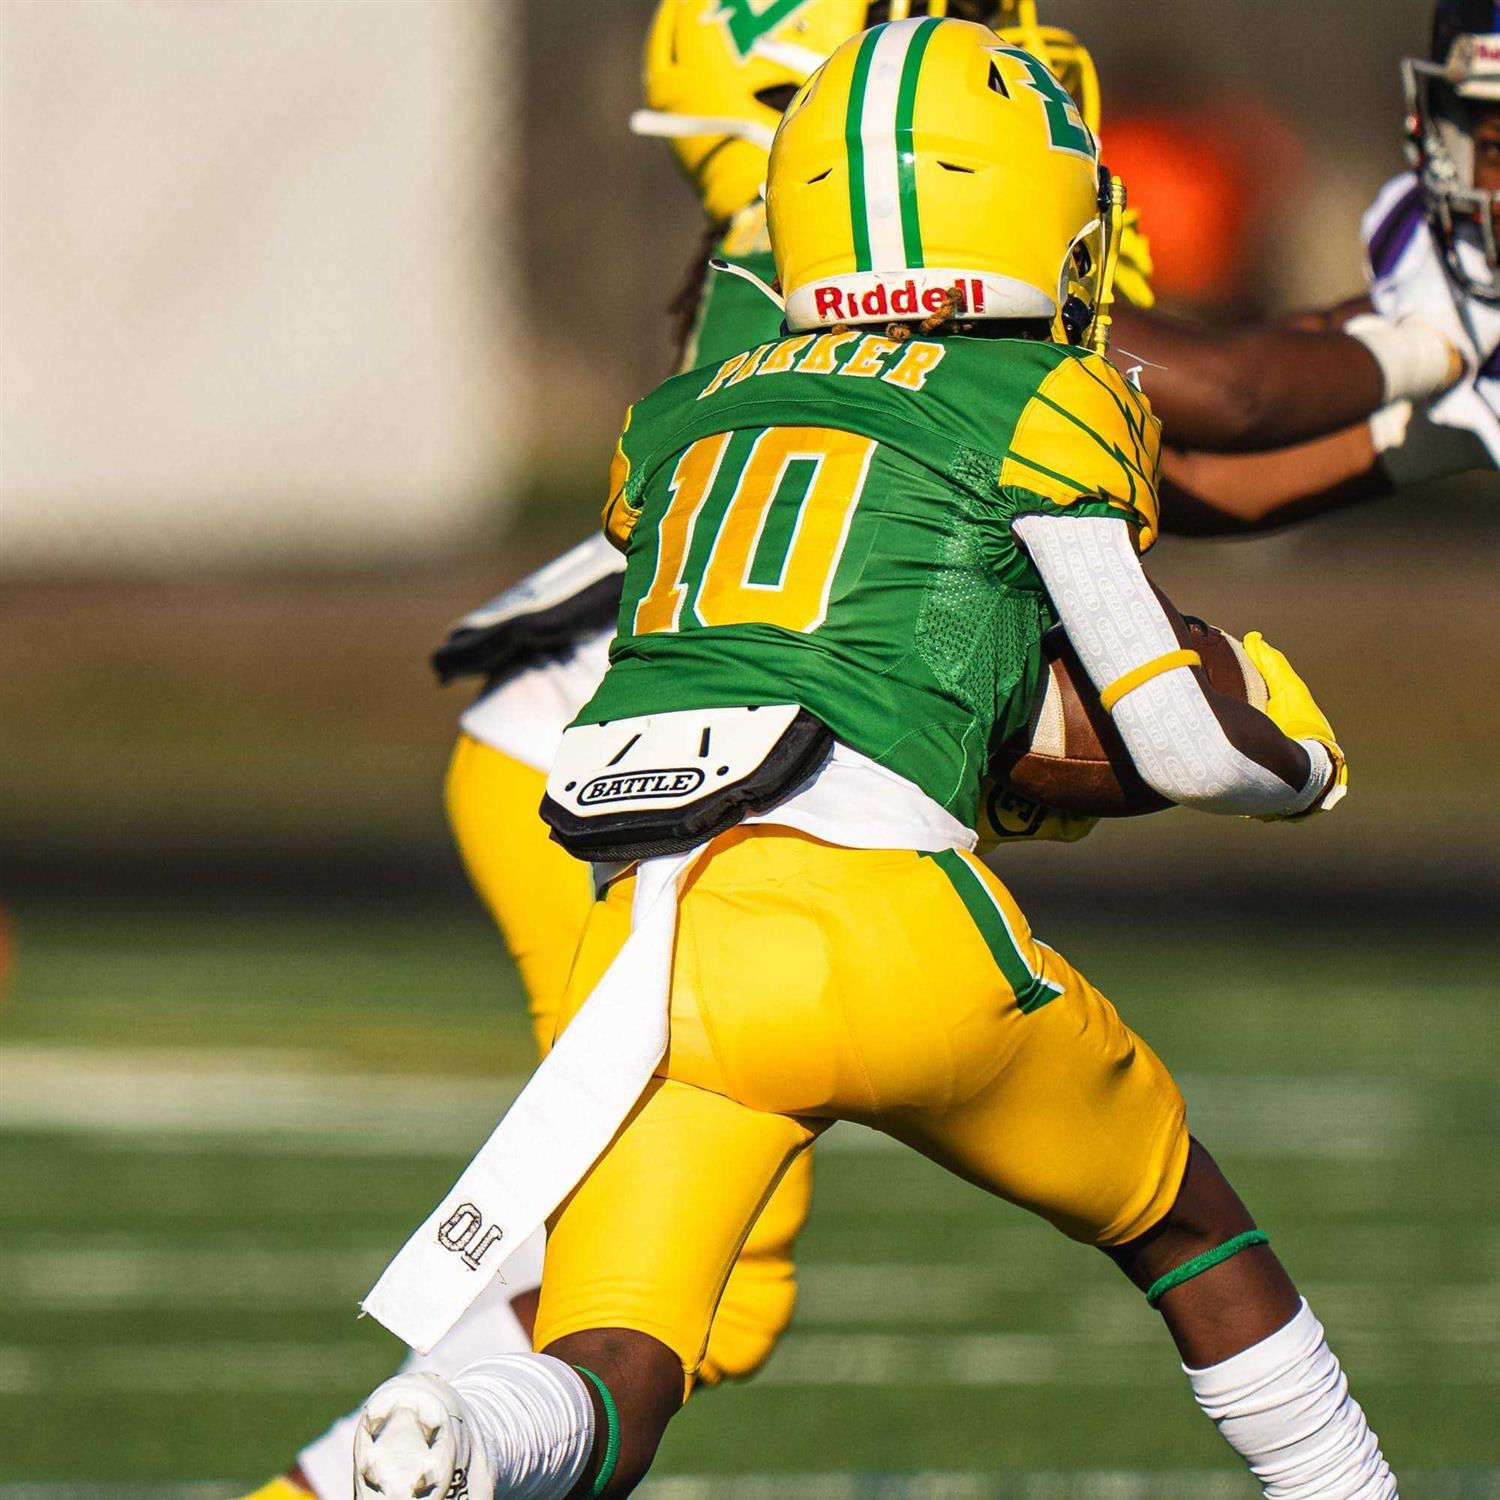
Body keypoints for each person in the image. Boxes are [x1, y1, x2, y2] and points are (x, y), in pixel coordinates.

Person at [353, 20, 1394, 1500]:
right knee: (1188, 1236)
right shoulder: (1049, 396)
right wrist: (1299, 761)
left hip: (658, 950)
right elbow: (1169, 732)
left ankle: (464, 1440)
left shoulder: (679, 421)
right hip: (893, 920)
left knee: (618, 1365)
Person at [1157, 0, 1500, 530]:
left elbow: (1237, 397)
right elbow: (1209, 480)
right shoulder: (1471, 293)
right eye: (1496, 148)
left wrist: (1052, 333)